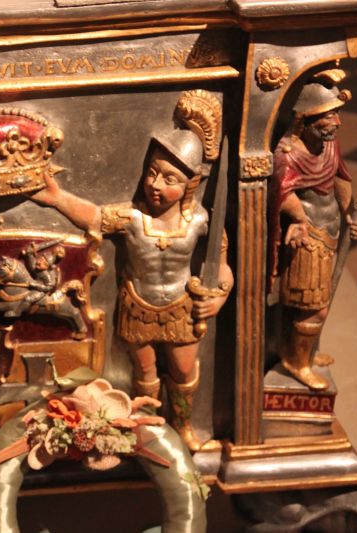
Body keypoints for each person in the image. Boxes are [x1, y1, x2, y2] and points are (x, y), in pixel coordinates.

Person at [30, 128, 232, 451]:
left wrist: (220, 296)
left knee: (183, 370)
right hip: (138, 304)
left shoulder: (200, 221)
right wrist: (58, 198)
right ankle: (148, 429)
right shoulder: (132, 217)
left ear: (190, 185)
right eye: (152, 173)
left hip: (180, 306)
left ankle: (182, 426)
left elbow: (221, 266)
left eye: (169, 179)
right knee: (145, 369)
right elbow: (95, 217)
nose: (155, 184)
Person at [269, 73, 357, 390]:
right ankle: (296, 363)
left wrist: (351, 215)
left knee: (313, 305)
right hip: (307, 237)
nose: (337, 122)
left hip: (330, 230)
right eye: (329, 115)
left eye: (337, 113)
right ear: (306, 118)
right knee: (313, 307)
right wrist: (299, 219)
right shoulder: (288, 154)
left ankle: (304, 353)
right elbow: (283, 193)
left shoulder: (328, 145)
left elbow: (340, 179)